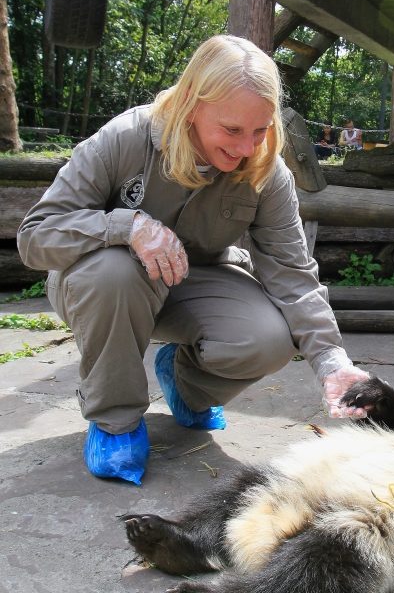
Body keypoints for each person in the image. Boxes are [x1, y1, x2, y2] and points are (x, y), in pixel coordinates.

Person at [17, 35, 371, 485]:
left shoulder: (266, 169)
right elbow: (35, 237)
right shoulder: (124, 139)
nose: (248, 148)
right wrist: (125, 227)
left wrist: (331, 361)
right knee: (114, 272)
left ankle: (188, 383)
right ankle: (114, 420)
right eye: (232, 130)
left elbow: (293, 275)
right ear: (191, 104)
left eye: (261, 130)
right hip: (103, 284)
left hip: (199, 281)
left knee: (269, 338)